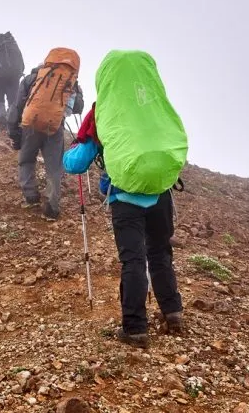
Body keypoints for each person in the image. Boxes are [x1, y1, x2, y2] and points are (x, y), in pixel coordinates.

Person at [63, 50, 187, 349]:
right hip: (160, 192)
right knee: (160, 253)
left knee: (133, 259)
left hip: (125, 196)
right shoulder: (155, 105)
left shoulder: (102, 110)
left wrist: (70, 152)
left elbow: (76, 164)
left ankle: (135, 329)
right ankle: (173, 312)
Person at [9, 48, 83, 221]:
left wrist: (14, 131)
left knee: (26, 160)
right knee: (54, 167)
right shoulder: (69, 80)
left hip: (31, 125)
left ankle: (31, 197)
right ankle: (51, 208)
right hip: (55, 127)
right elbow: (78, 107)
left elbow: (17, 106)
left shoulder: (32, 78)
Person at [0, 31, 25, 126]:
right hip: (14, 75)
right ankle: (13, 121)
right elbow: (21, 60)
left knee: (0, 99)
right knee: (12, 99)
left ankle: (1, 121)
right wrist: (19, 72)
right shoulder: (12, 44)